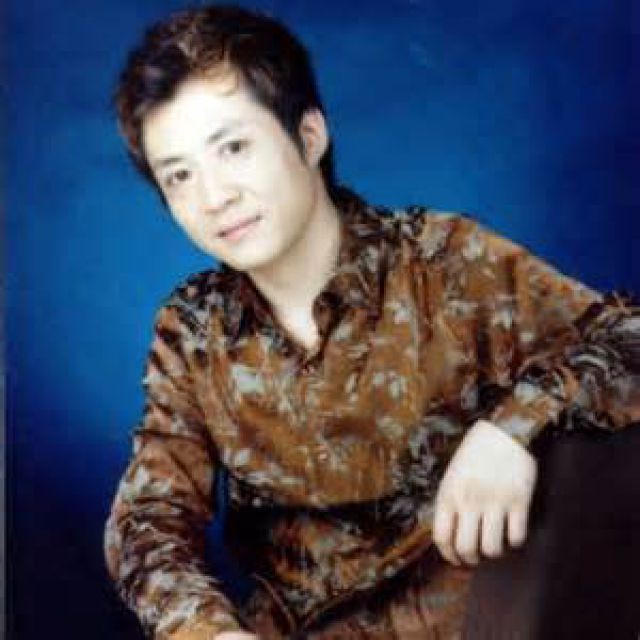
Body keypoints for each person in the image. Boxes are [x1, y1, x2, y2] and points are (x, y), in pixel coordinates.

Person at [103, 5, 639, 639]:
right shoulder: (194, 330)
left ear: (309, 137)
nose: (215, 197)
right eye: (179, 176)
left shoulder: (442, 263)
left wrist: (513, 428)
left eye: (235, 148)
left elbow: (628, 336)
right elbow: (147, 523)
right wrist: (209, 632)